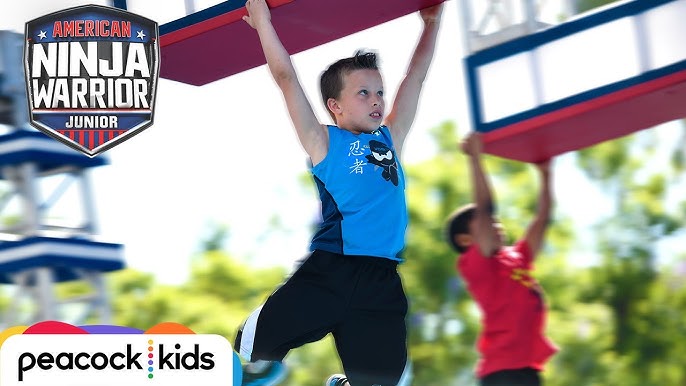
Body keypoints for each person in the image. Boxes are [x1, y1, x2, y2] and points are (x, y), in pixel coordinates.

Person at [234, 0, 443, 385]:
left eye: (379, 91)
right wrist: (263, 23)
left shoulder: (390, 139)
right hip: (332, 271)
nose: (377, 99)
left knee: (384, 381)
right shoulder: (323, 142)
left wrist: (431, 24)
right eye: (363, 92)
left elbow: (415, 77)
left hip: (381, 280)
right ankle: (245, 362)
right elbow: (286, 78)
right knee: (252, 349)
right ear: (336, 106)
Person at [444, 132, 558, 386]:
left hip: (528, 369)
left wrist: (546, 174)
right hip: (501, 373)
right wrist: (475, 158)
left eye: (495, 221)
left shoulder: (517, 257)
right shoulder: (477, 265)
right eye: (486, 223)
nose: (496, 224)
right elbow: (485, 206)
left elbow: (543, 219)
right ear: (466, 240)